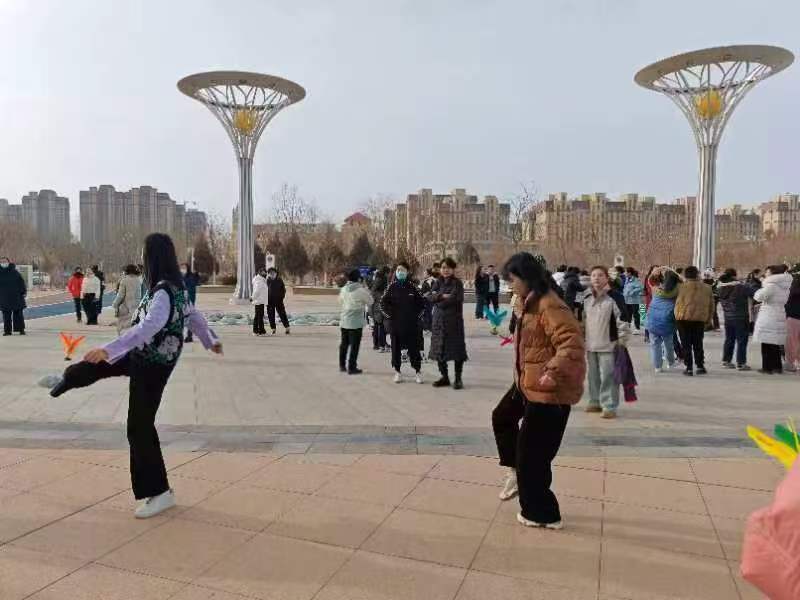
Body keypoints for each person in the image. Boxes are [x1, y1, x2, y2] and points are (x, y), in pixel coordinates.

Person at [49, 233, 222, 519]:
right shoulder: (173, 288)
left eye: (144, 253)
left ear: (153, 258)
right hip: (144, 355)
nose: (141, 258)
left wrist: (108, 348)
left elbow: (148, 327)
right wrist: (210, 341)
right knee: (100, 365)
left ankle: (160, 492)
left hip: (152, 364)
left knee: (139, 426)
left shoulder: (164, 292)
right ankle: (64, 380)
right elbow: (195, 318)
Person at [492, 252, 585, 529]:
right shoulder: (528, 302)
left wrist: (552, 372)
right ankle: (516, 472)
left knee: (532, 455)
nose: (510, 285)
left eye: (512, 280)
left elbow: (571, 343)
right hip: (527, 383)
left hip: (549, 389)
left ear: (527, 277)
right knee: (502, 417)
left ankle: (542, 514)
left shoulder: (549, 304)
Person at [581, 266, 630, 419]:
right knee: (593, 376)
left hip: (610, 344)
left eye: (600, 275)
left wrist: (622, 341)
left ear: (606, 278)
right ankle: (595, 401)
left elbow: (623, 319)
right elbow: (583, 320)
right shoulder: (586, 298)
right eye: (593, 275)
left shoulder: (614, 297)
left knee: (609, 376)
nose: (596, 278)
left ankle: (609, 405)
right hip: (591, 344)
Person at [381, 262, 426, 383]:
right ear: (396, 272)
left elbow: (422, 304)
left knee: (414, 349)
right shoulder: (391, 287)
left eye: (403, 270)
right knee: (396, 349)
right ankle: (397, 371)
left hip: (411, 325)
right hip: (396, 325)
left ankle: (417, 371)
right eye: (398, 270)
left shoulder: (413, 287)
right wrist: (390, 317)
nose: (400, 272)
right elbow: (382, 304)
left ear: (407, 272)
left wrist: (416, 317)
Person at [428, 257, 468, 389]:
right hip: (438, 322)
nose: (445, 270)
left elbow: (456, 298)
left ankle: (458, 379)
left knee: (457, 351)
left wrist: (438, 300)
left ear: (453, 269)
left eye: (448, 268)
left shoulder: (457, 283)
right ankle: (444, 377)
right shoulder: (437, 282)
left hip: (453, 322)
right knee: (439, 350)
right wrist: (441, 296)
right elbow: (429, 296)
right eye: (443, 267)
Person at [674, 265, 714, 376]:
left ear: (685, 275)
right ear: (697, 274)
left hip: (682, 319)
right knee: (698, 343)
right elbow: (711, 306)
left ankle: (689, 368)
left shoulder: (680, 287)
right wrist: (708, 320)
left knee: (685, 343)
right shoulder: (707, 288)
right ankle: (700, 366)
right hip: (699, 319)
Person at [753, 264, 793, 374]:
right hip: (779, 313)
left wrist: (761, 287)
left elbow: (758, 297)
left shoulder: (771, 285)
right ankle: (777, 367)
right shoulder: (784, 285)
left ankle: (767, 368)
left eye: (767, 272)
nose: (765, 274)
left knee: (766, 342)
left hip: (769, 315)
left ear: (773, 273)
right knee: (775, 343)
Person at [717, 268, 754, 371]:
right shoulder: (740, 287)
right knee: (742, 341)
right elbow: (754, 293)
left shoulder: (720, 288)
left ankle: (726, 361)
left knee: (729, 339)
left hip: (728, 317)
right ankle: (741, 363)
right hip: (741, 317)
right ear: (734, 276)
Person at [338, 269, 373, 375]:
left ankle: (342, 365)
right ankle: (352, 367)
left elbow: (340, 301)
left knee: (344, 344)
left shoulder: (344, 289)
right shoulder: (361, 290)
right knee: (354, 345)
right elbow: (370, 301)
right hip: (356, 322)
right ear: (358, 278)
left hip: (345, 320)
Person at [647, 267, 679, 373]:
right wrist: (673, 272)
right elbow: (682, 280)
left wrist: (658, 270)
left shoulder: (656, 289)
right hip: (667, 319)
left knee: (655, 344)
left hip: (653, 318)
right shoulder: (677, 290)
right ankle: (671, 362)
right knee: (668, 343)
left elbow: (650, 280)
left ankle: (658, 366)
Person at [113, 264, 143, 335]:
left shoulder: (124, 280)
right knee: (133, 327)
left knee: (122, 328)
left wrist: (115, 304)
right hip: (136, 306)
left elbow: (120, 295)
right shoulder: (138, 280)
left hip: (125, 306)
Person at [0, 257, 26, 336]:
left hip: (16, 296)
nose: (3, 263)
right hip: (4, 297)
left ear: (8, 262)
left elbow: (21, 282)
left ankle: (21, 329)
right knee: (6, 315)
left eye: (5, 261)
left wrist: (23, 292)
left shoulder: (14, 272)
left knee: (18, 314)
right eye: (2, 262)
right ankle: (7, 331)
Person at [370, 267, 390, 352]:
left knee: (377, 326)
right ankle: (381, 344)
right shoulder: (381, 291)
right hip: (379, 310)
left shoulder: (375, 289)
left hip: (376, 310)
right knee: (381, 327)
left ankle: (377, 344)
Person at [266, 267, 290, 335]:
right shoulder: (267, 281)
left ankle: (287, 327)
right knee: (271, 315)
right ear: (269, 274)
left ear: (276, 273)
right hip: (270, 301)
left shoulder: (279, 280)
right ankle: (273, 329)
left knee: (282, 314)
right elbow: (264, 290)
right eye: (270, 273)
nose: (272, 274)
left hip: (279, 301)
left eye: (273, 273)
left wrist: (281, 297)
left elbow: (283, 290)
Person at [785, 266, 800, 373]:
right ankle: (796, 362)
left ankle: (790, 363)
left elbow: (788, 299)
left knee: (791, 342)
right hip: (794, 315)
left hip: (793, 316)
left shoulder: (793, 284)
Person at [181, 263, 200, 342]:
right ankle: (185, 335)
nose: (182, 270)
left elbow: (193, 286)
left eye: (184, 268)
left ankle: (189, 336)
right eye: (182, 268)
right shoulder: (183, 277)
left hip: (189, 300)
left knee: (189, 318)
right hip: (183, 300)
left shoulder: (191, 277)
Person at [623, 268, 644, 333]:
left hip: (634, 300)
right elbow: (625, 288)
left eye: (626, 272)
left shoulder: (636, 280)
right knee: (628, 314)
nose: (625, 273)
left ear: (629, 273)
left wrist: (632, 291)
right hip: (627, 300)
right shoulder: (627, 279)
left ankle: (637, 328)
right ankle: (628, 327)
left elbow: (641, 287)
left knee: (635, 314)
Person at [642, 265, 659, 344]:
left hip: (657, 301)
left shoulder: (660, 278)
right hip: (649, 300)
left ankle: (654, 334)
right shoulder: (648, 278)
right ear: (651, 271)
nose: (656, 271)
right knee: (648, 318)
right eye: (655, 270)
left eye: (657, 270)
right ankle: (646, 335)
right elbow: (649, 290)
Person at [251, 267, 269, 336]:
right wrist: (252, 298)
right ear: (260, 272)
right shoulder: (258, 281)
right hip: (259, 301)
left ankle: (256, 331)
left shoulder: (261, 280)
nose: (265, 273)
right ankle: (261, 331)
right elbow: (257, 291)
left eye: (265, 272)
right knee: (259, 316)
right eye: (264, 272)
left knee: (258, 316)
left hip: (260, 301)